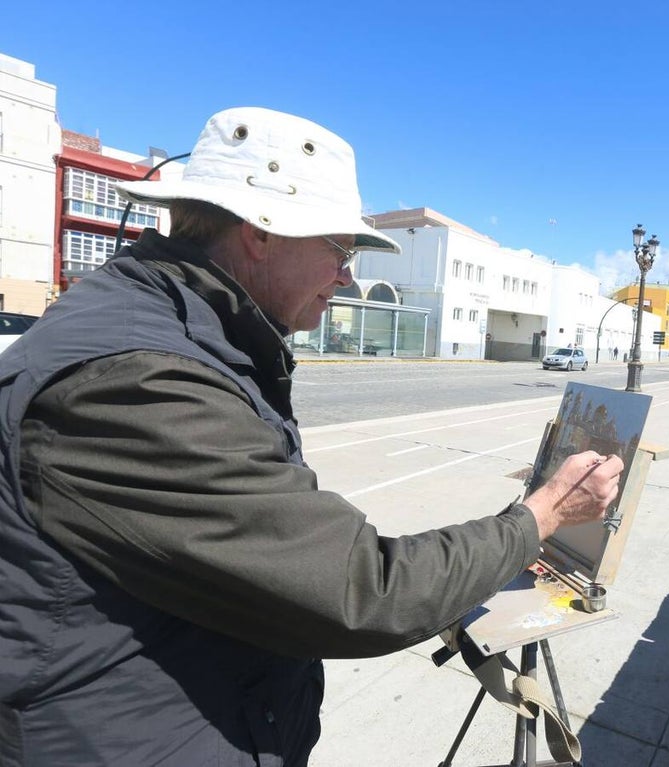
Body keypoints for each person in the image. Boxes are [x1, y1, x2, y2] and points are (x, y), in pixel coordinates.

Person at [0, 107, 625, 766]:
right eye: (339, 248)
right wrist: (543, 513)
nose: (349, 275)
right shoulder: (138, 379)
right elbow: (363, 589)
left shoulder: (182, 332)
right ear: (261, 233)